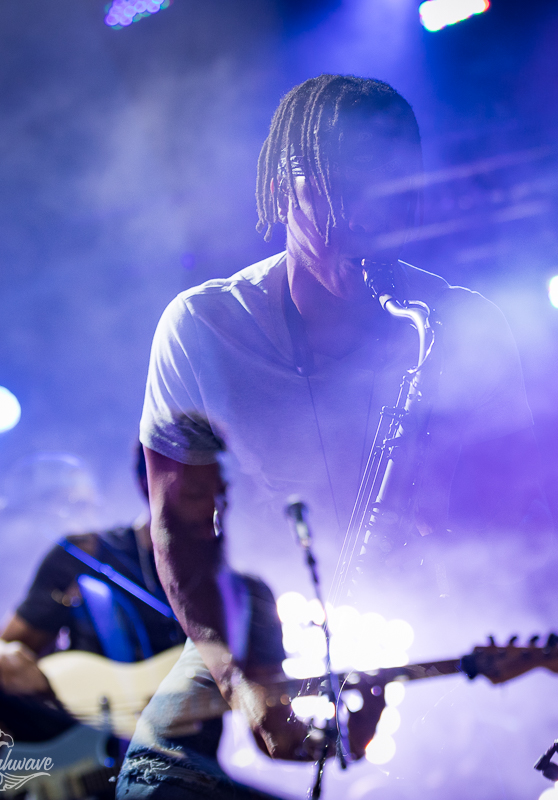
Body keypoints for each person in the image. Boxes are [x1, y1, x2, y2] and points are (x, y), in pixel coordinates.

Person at [118, 75, 535, 797]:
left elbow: (525, 514)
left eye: (394, 187)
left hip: (423, 622)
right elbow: (176, 533)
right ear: (283, 187)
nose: (372, 216)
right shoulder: (202, 327)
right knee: (158, 781)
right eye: (345, 191)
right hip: (256, 638)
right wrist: (248, 688)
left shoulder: (457, 326)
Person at [0, 444, 184, 696]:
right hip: (99, 728)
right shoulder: (84, 554)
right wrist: (5, 657)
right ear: (148, 481)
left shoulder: (228, 588)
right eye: (195, 490)